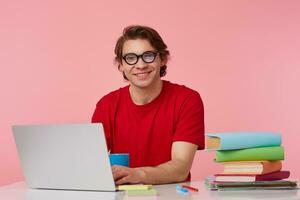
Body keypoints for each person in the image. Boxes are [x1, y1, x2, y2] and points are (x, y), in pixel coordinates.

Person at [92, 25, 204, 185]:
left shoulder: (187, 100)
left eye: (148, 55)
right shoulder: (106, 105)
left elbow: (181, 168)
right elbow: (93, 163)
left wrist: (138, 174)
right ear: (120, 64)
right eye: (131, 58)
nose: (141, 65)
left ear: (163, 59)